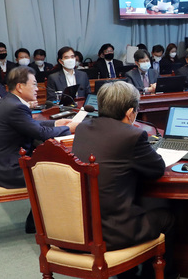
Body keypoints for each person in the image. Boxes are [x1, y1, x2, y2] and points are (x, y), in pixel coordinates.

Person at [72, 81, 176, 279]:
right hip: (112, 231)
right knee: (168, 217)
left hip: (82, 226)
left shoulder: (83, 128)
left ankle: (127, 273)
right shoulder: (133, 135)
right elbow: (156, 169)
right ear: (130, 112)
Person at [0, 66, 77, 189]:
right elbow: (40, 133)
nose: (37, 89)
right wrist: (69, 128)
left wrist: (56, 123)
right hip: (7, 169)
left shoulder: (8, 101)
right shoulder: (15, 107)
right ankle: (45, 207)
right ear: (20, 86)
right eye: (34, 85)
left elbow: (29, 124)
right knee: (61, 174)